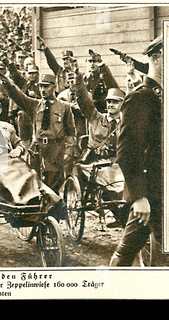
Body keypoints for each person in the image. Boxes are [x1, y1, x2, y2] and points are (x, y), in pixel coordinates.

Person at [110, 36, 167, 266]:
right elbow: (127, 152)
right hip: (151, 195)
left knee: (130, 250)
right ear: (157, 57)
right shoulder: (140, 97)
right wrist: (139, 196)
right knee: (126, 253)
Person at [0, 72, 76, 193]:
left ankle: (51, 210)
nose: (42, 90)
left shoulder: (64, 107)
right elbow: (19, 97)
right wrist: (8, 84)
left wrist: (68, 152)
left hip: (55, 151)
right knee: (34, 186)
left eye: (46, 86)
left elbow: (71, 132)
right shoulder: (35, 105)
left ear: (54, 87)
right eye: (41, 86)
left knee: (52, 187)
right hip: (37, 151)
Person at [73, 70, 127, 227]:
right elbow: (83, 101)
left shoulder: (126, 124)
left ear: (122, 105)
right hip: (95, 162)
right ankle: (116, 212)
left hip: (117, 162)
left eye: (115, 102)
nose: (110, 104)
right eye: (109, 101)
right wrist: (78, 80)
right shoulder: (96, 117)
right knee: (111, 181)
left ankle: (121, 215)